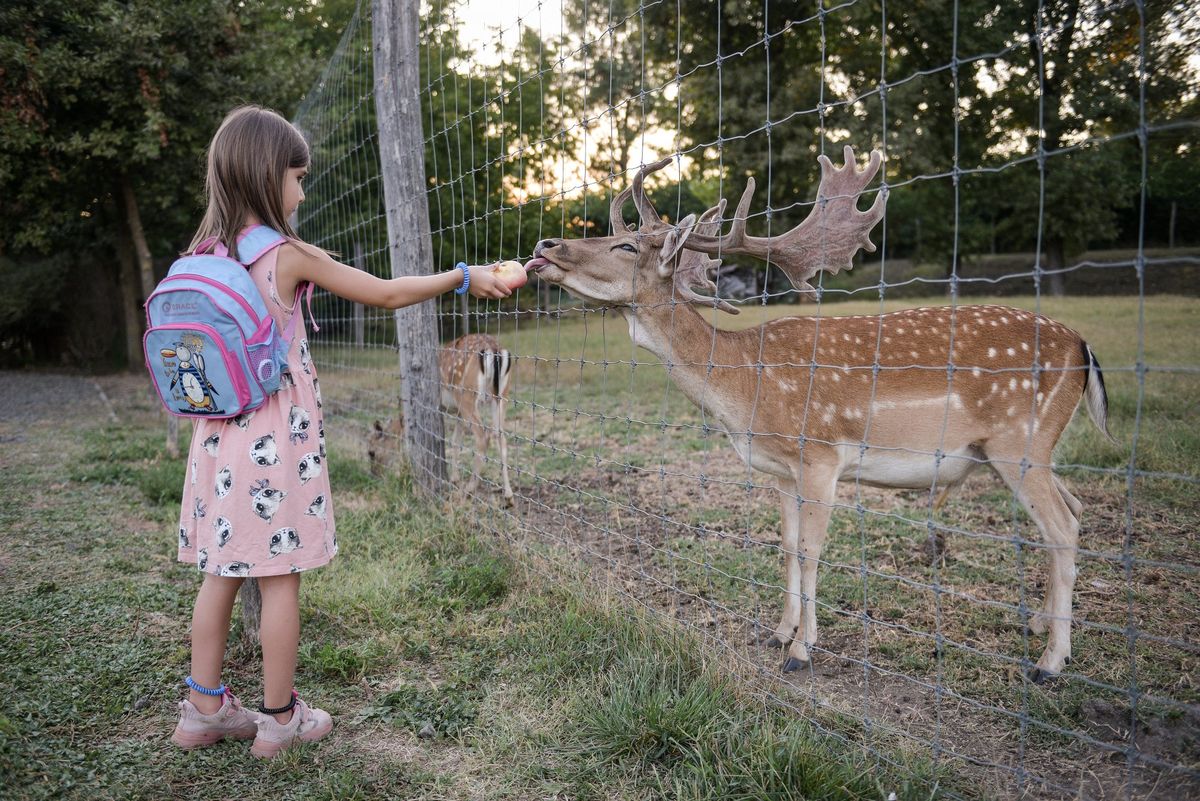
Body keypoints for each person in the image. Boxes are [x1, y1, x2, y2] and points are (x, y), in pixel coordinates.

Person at [169, 105, 511, 758]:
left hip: (216, 444)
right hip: (273, 446)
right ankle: (278, 718)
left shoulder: (205, 253)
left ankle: (202, 708)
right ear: (271, 178)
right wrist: (465, 276)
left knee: (219, 573)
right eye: (298, 178)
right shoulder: (288, 256)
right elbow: (383, 293)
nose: (302, 191)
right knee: (280, 577)